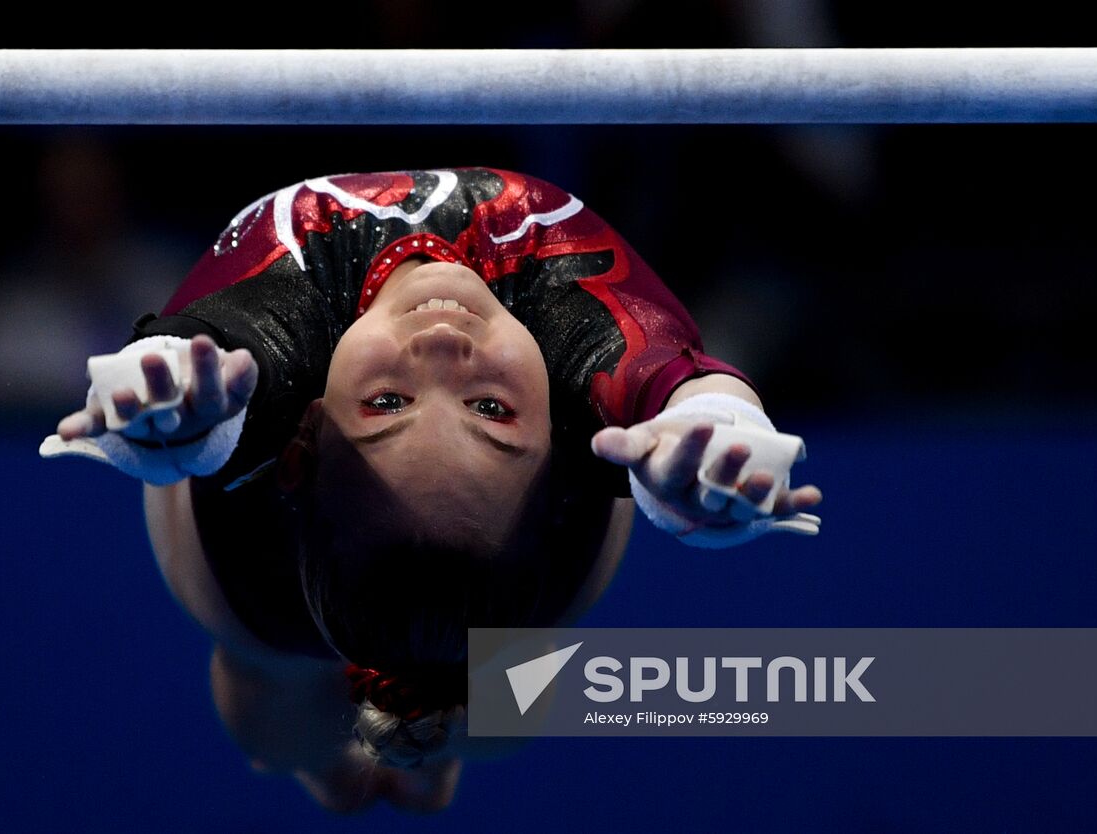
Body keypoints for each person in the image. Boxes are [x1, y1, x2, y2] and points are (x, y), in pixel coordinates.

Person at [42, 168, 822, 812]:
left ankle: (351, 757)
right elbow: (662, 367)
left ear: (306, 432)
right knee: (492, 697)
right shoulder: (570, 375)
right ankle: (418, 740)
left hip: (257, 573)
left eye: (387, 403)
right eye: (491, 410)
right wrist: (708, 430)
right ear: (560, 456)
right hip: (547, 566)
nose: (443, 351)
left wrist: (172, 409)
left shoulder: (272, 381)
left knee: (276, 690)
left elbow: (228, 342)